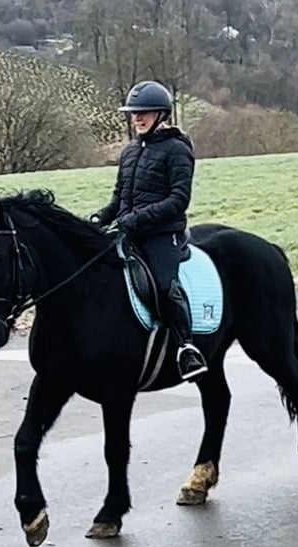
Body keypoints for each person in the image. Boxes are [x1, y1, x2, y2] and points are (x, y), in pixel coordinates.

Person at [90, 80, 208, 383]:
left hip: (162, 235)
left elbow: (178, 200)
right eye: (133, 113)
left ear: (161, 114)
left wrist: (138, 218)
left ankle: (186, 347)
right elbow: (119, 198)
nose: (137, 118)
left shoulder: (177, 150)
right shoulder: (130, 152)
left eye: (144, 113)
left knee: (164, 285)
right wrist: (99, 218)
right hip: (130, 232)